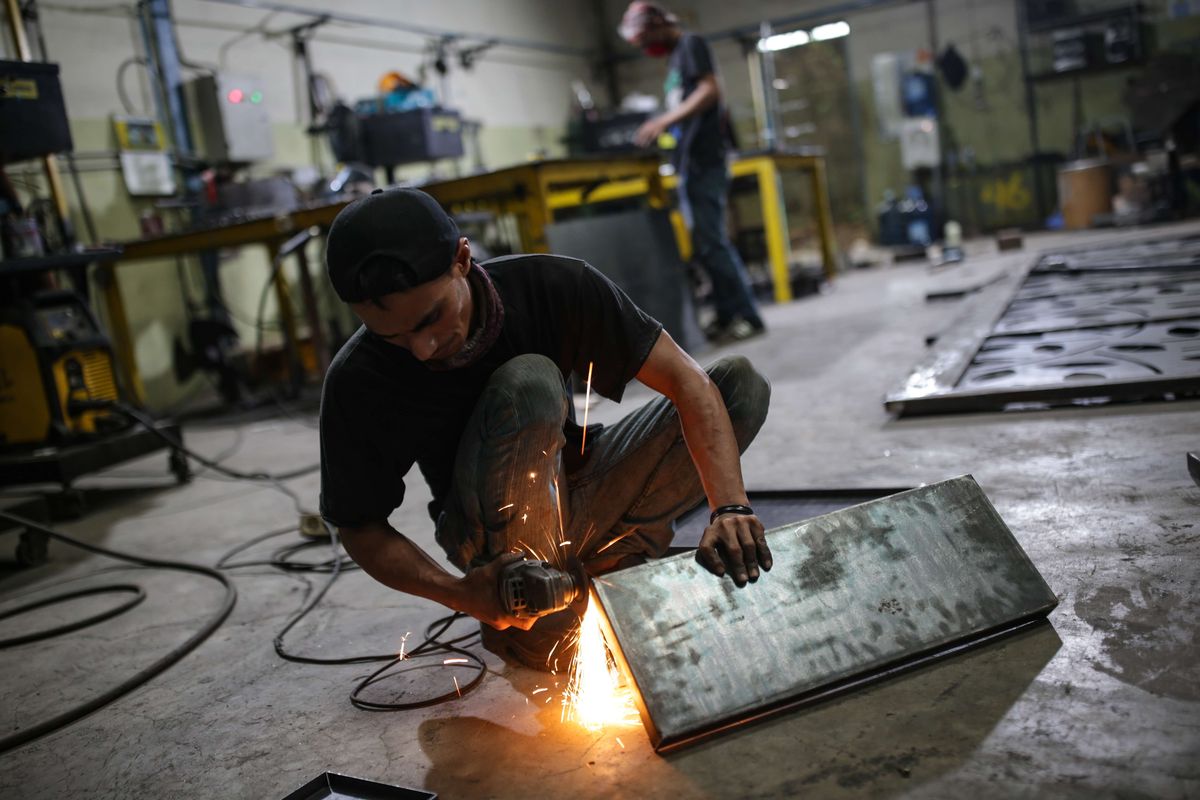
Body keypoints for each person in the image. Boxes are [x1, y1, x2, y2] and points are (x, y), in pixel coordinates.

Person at [319, 187, 772, 670]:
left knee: (738, 388)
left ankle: (610, 563)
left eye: (432, 317)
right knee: (529, 383)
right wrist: (464, 594)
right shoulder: (360, 379)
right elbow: (360, 527)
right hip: (481, 531)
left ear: (462, 259)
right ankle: (535, 605)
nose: (424, 348)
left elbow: (688, 381)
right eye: (395, 337)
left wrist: (729, 506)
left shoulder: (553, 287)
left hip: (577, 486)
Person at [621, 1, 767, 344]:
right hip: (690, 165)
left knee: (713, 244)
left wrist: (664, 121)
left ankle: (749, 317)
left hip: (706, 161)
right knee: (705, 246)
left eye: (645, 39)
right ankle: (728, 315)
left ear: (659, 24)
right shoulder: (676, 60)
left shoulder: (691, 44)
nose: (646, 48)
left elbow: (710, 89)